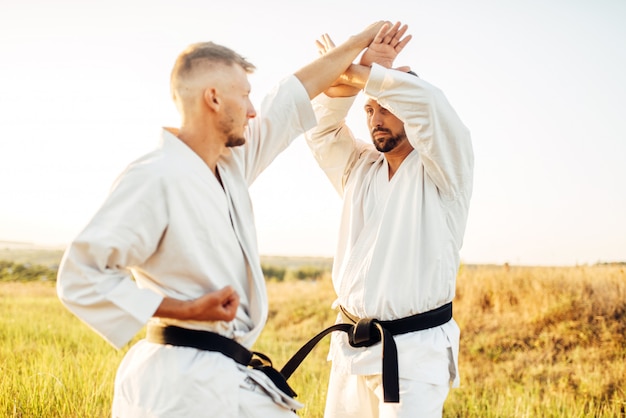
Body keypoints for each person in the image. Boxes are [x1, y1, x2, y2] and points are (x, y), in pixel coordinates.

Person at [56, 21, 401, 418]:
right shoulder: (154, 176)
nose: (254, 110)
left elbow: (290, 96)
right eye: (245, 96)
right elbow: (79, 277)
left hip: (224, 376)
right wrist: (186, 309)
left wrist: (359, 48)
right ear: (214, 99)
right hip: (175, 381)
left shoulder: (231, 163)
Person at [296, 24, 474, 417]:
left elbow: (430, 106)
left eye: (387, 107)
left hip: (412, 357)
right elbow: (321, 132)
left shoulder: (445, 170)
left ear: (408, 108)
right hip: (351, 350)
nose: (376, 118)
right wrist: (347, 80)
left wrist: (364, 73)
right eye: (370, 109)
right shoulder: (360, 168)